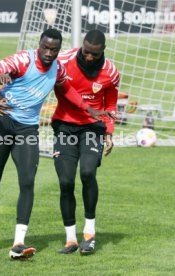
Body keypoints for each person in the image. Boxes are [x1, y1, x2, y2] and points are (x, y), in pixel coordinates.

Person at [0, 28, 113, 260]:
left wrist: (88, 108)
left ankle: (18, 243)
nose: (49, 53)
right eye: (46, 48)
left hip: (27, 129)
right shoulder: (21, 60)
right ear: (39, 44)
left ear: (59, 50)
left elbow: (67, 90)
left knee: (28, 181)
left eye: (54, 49)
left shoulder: (58, 68)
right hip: (2, 124)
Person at [51, 29, 120, 255]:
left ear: (103, 51)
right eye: (87, 52)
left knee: (88, 173)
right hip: (64, 126)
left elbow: (110, 105)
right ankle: (71, 239)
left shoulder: (110, 73)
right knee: (66, 182)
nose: (89, 57)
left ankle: (89, 234)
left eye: (95, 54)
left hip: (92, 127)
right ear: (82, 46)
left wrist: (109, 132)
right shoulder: (62, 61)